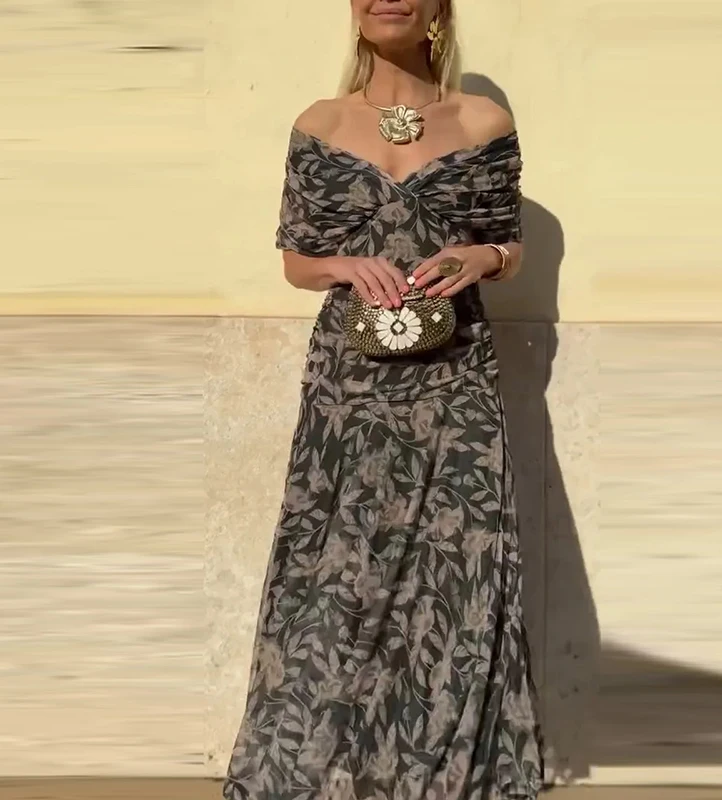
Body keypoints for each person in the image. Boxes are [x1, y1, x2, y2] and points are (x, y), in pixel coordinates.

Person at [223, 1, 544, 798]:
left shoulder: (483, 120)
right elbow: (297, 261)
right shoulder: (320, 122)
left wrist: (484, 257)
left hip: (455, 374)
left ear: (439, 6)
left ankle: (440, 763)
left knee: (455, 562)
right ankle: (334, 761)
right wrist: (342, 266)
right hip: (350, 382)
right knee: (335, 564)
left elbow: (511, 244)